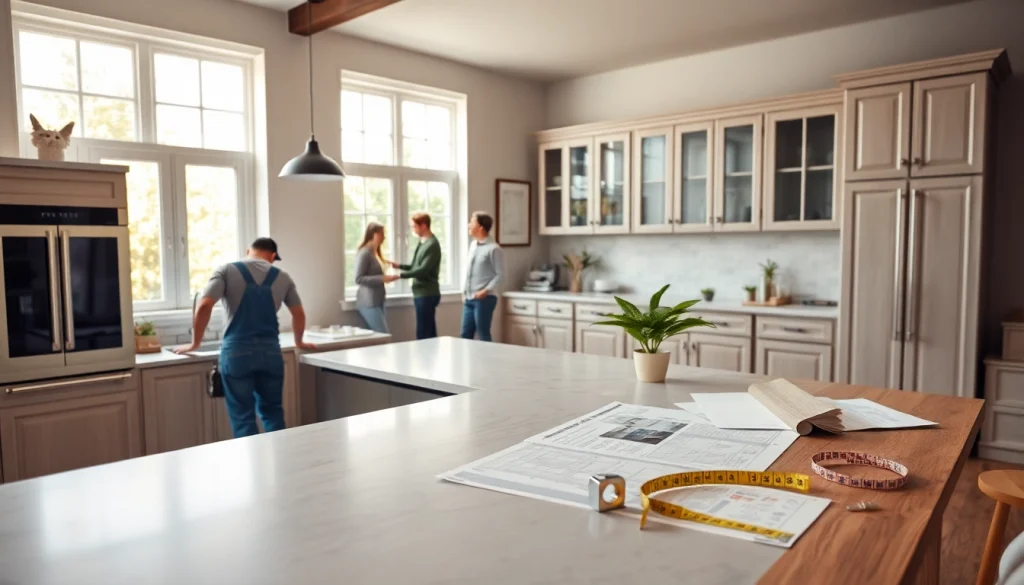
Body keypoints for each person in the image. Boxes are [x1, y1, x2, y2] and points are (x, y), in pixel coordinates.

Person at [174, 237, 314, 438]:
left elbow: (204, 305)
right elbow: (299, 313)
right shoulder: (283, 277)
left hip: (237, 355)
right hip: (270, 354)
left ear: (249, 251)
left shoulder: (226, 270)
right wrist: (299, 341)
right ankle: (283, 465)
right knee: (272, 413)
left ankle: (253, 468)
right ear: (273, 256)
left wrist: (195, 343)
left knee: (243, 418)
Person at [390, 212, 442, 339]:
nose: (412, 229)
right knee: (425, 329)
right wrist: (399, 266)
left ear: (423, 226)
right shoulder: (422, 243)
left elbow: (423, 270)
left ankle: (426, 357)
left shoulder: (432, 244)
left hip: (427, 293)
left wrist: (399, 276)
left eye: (414, 226)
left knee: (424, 331)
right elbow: (415, 266)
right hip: (420, 293)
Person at [461, 211, 504, 342]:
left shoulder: (494, 249)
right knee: (464, 335)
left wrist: (485, 291)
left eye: (472, 222)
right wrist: (464, 291)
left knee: (483, 334)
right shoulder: (473, 245)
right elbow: (470, 271)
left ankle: (487, 362)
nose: (469, 225)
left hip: (485, 299)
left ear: (481, 227)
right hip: (469, 298)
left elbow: (500, 275)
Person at [354, 222, 400, 333]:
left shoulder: (376, 253)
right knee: (383, 335)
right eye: (381, 234)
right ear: (372, 234)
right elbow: (359, 278)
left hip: (378, 300)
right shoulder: (364, 253)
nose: (384, 237)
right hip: (369, 301)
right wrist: (382, 278)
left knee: (376, 338)